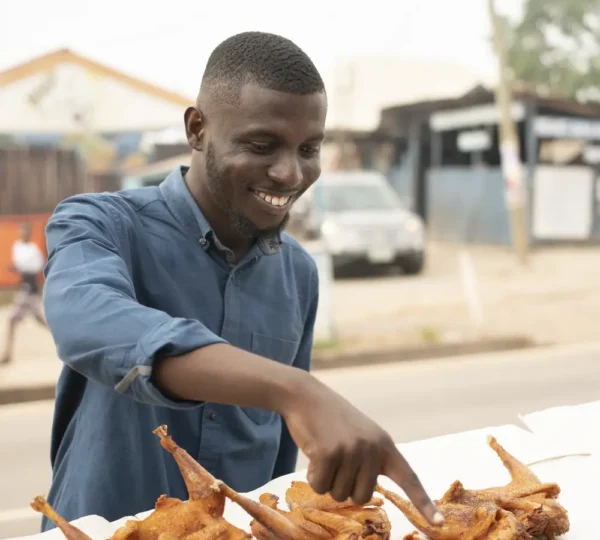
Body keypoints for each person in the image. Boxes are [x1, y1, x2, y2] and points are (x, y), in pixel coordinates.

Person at [41, 31, 443, 531]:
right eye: (261, 145)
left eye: (310, 148)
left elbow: (276, 463)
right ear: (197, 129)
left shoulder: (298, 273)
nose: (290, 173)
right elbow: (86, 320)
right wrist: (294, 390)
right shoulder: (100, 223)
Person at [1, 223, 47, 365]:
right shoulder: (18, 246)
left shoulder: (33, 249)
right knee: (40, 320)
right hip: (25, 287)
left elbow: (37, 266)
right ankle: (65, 339)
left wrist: (21, 267)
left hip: (29, 289)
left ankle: (7, 355)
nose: (23, 234)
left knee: (12, 321)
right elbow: (21, 264)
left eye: (25, 231)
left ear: (29, 233)